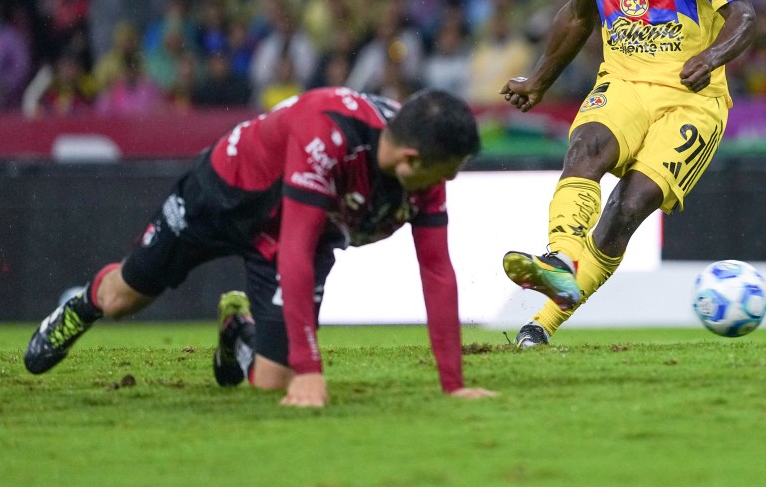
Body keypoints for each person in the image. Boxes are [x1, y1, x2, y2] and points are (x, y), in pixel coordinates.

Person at [25, 87, 495, 406]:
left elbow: (437, 271)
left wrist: (453, 384)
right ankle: (81, 307)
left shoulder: (423, 175)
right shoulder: (329, 131)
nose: (448, 183)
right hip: (224, 195)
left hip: (299, 229)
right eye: (447, 172)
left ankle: (237, 329)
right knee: (122, 299)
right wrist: (311, 368)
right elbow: (296, 250)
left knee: (273, 382)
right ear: (412, 159)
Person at [499, 0, 757, 347]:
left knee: (626, 208)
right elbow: (578, 16)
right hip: (623, 83)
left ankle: (541, 324)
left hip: (691, 99)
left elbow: (744, 16)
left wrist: (711, 57)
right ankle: (560, 257)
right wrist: (538, 79)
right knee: (585, 147)